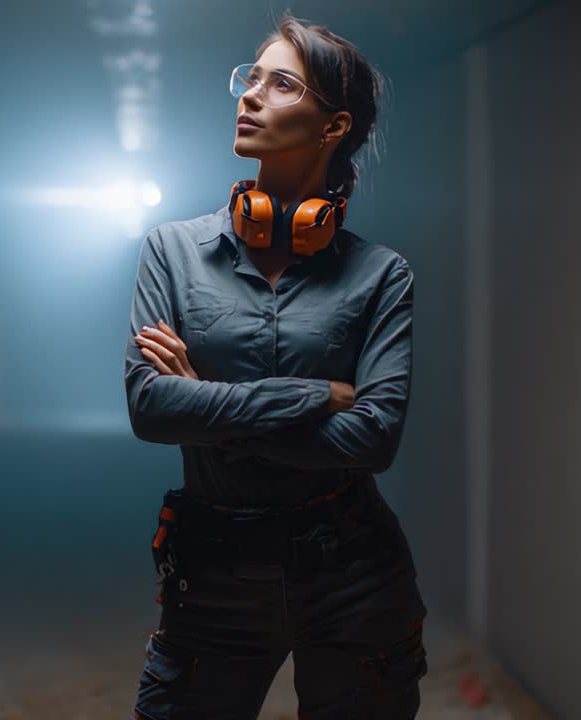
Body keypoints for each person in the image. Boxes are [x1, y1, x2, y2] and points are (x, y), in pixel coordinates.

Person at [123, 12, 427, 720]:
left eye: (280, 83)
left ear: (333, 127)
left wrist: (206, 401)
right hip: (213, 572)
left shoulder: (381, 276)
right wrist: (312, 394)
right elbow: (149, 408)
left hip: (354, 572)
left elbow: (372, 440)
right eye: (249, 77)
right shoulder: (170, 252)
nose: (250, 95)